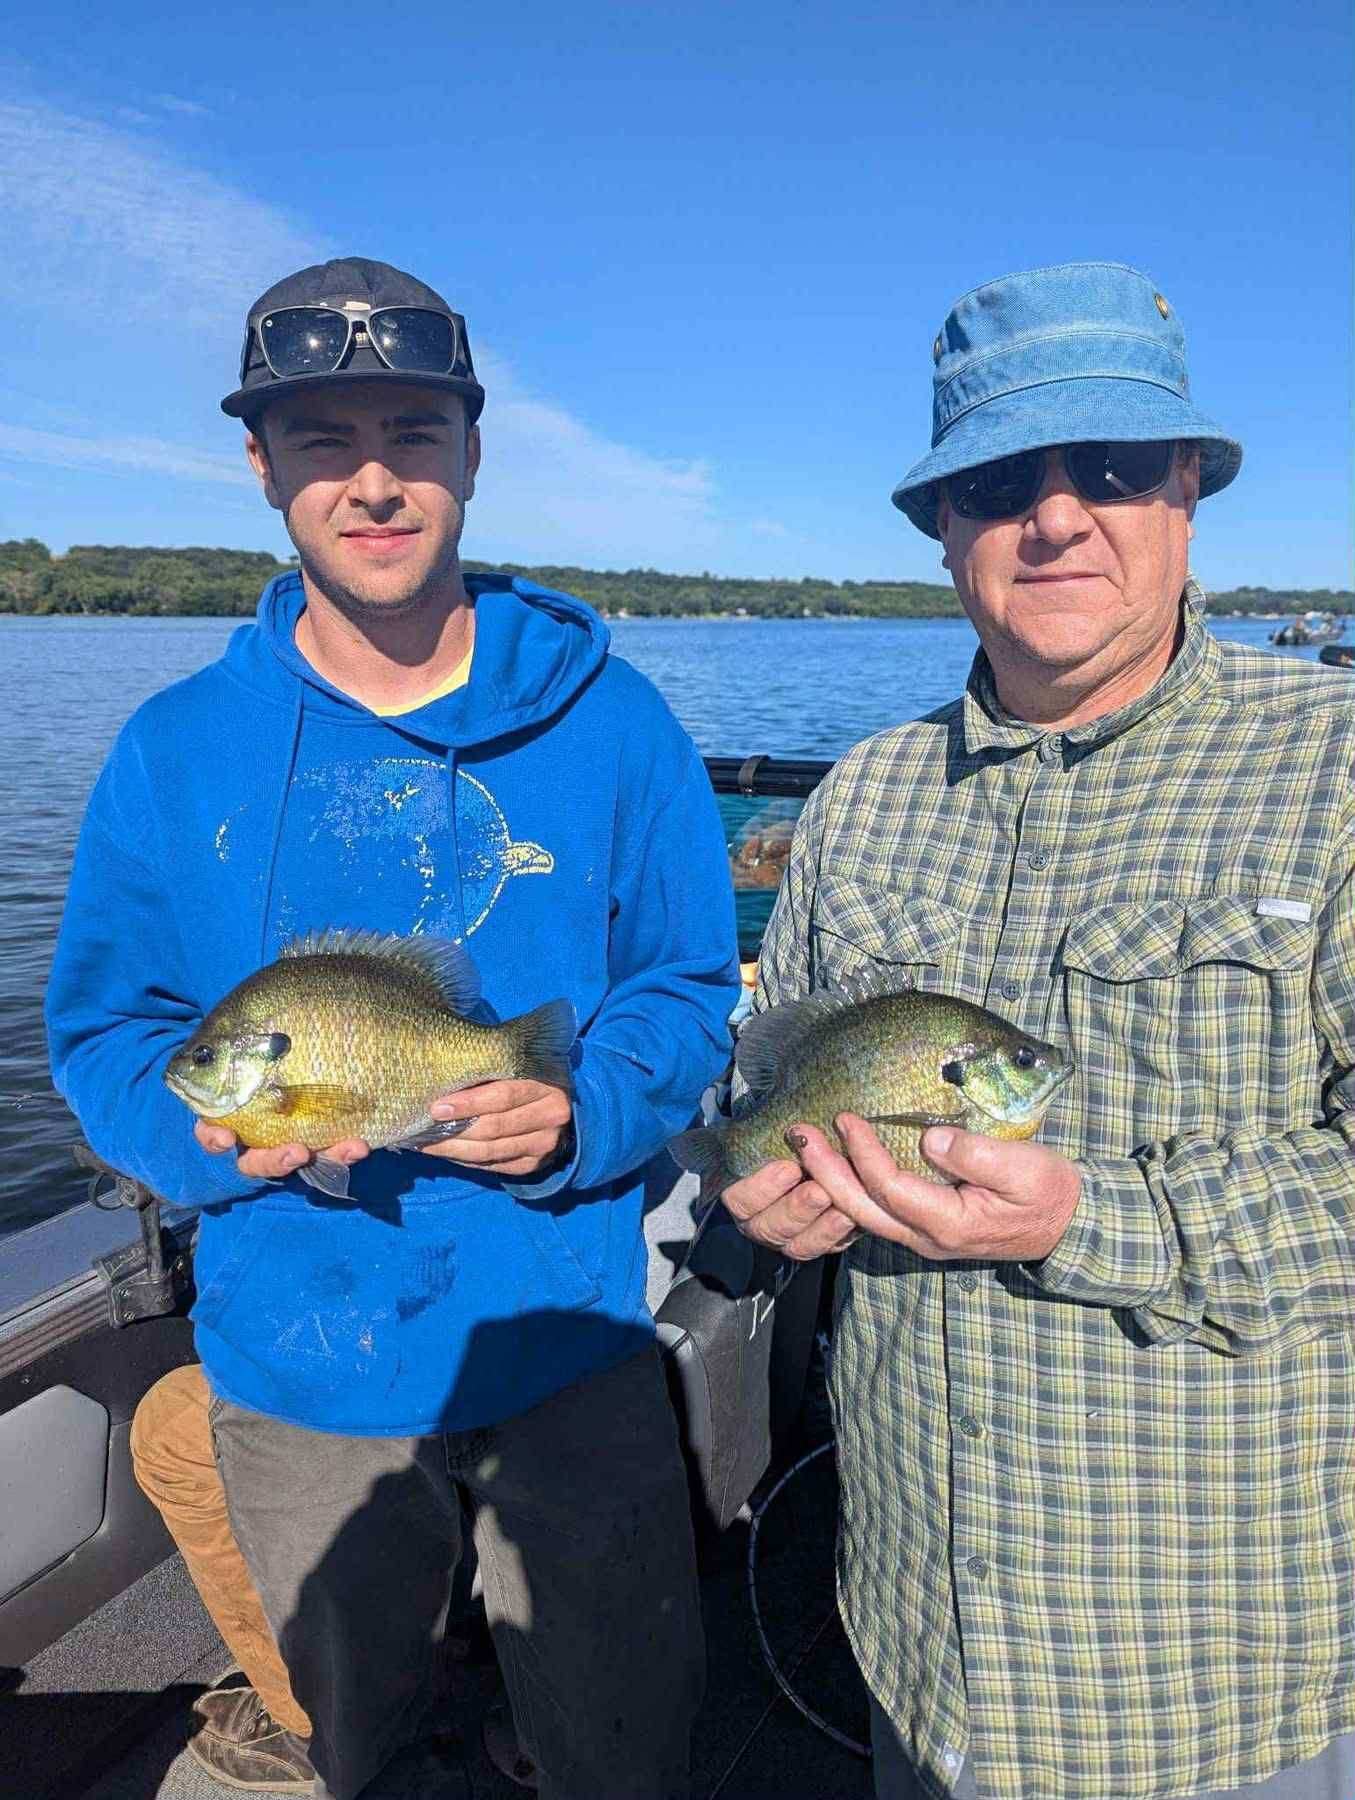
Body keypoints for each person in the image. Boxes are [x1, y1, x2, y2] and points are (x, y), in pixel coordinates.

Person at [46, 256, 740, 1800]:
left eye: (414, 433)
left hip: (568, 1332)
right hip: (299, 1361)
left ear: (475, 452)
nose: (373, 479)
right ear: (261, 467)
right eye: (321, 438)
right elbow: (105, 1034)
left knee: (623, 1739)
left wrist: (583, 1112)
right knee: (354, 1744)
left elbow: (688, 992)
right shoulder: (173, 751)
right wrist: (222, 1144)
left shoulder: (617, 726)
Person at [720, 262, 1354, 1799]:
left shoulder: (1334, 769)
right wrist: (763, 1197)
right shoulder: (863, 797)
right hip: (916, 1645)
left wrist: (1097, 1213)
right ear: (943, 527)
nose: (1057, 516)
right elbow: (769, 1086)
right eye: (1003, 479)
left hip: (1219, 1684)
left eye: (1117, 467)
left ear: (1189, 489)